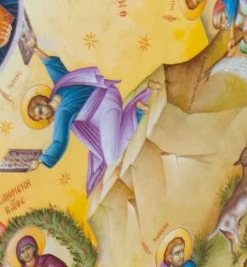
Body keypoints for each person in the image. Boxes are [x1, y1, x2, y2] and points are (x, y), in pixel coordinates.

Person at [23, 56, 152, 198]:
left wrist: (41, 160)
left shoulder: (62, 113)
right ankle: (137, 108)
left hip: (107, 105)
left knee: (110, 158)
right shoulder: (60, 84)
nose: (44, 118)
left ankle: (137, 109)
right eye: (40, 119)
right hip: (102, 111)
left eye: (40, 112)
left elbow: (59, 142)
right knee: (107, 151)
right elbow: (53, 64)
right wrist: (34, 48)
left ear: (42, 101)